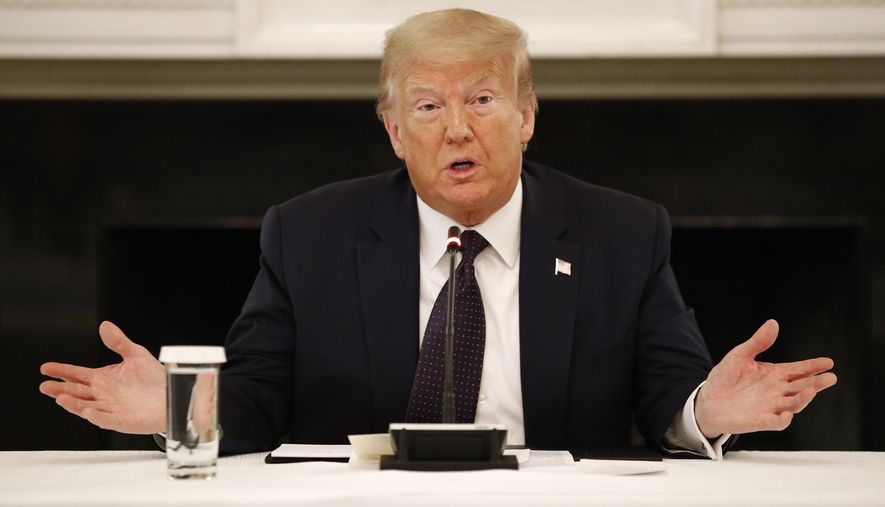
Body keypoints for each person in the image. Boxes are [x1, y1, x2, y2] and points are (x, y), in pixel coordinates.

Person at [39, 9, 836, 458]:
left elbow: (668, 396)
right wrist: (173, 407)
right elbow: (256, 397)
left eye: (482, 100)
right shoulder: (309, 233)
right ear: (394, 131)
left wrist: (710, 409)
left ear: (525, 116)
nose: (457, 129)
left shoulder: (621, 232)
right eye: (427, 107)